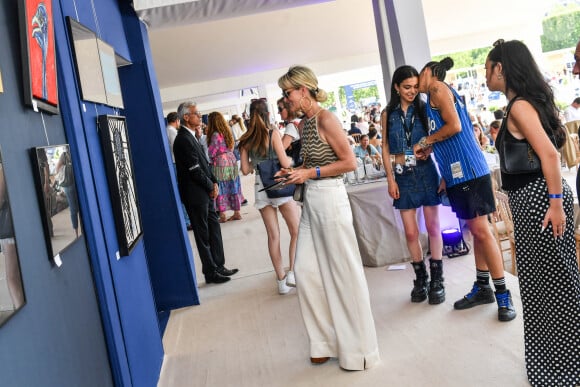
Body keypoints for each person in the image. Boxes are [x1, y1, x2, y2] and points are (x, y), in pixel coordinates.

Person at [486, 39, 580, 387]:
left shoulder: (520, 107)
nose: (485, 75)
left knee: (554, 286)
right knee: (544, 286)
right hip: (535, 200)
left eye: (488, 67)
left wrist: (556, 204)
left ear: (502, 68)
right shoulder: (520, 105)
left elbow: (551, 157)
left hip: (540, 199)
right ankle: (555, 366)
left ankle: (564, 368)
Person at [278, 65, 379, 370]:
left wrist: (310, 172)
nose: (285, 99)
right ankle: (323, 342)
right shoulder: (305, 123)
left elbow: (349, 162)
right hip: (311, 200)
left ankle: (359, 351)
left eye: (288, 93)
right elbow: (312, 163)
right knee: (305, 271)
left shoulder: (326, 118)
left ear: (304, 90)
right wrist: (296, 173)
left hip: (331, 199)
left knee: (343, 274)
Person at [414, 57, 516, 322]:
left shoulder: (437, 88)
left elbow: (455, 126)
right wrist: (444, 172)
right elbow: (453, 135)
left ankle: (503, 295)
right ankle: (483, 287)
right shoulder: (436, 97)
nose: (416, 84)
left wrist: (425, 140)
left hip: (469, 171)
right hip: (459, 174)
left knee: (481, 232)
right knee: (476, 231)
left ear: (429, 72)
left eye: (419, 76)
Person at [381, 65, 445, 305]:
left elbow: (437, 140)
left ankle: (437, 279)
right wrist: (390, 178)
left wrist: (442, 169)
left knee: (433, 227)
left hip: (427, 172)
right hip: (402, 177)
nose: (412, 91)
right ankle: (421, 278)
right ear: (396, 87)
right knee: (410, 231)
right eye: (407, 87)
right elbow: (386, 148)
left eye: (416, 87)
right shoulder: (388, 114)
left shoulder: (425, 109)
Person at [238, 99, 300, 295]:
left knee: (273, 235)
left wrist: (258, 162)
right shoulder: (273, 133)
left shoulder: (246, 139)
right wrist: (292, 160)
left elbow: (246, 169)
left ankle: (281, 280)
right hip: (278, 184)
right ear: (267, 114)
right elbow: (284, 162)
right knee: (296, 230)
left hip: (260, 187)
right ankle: (293, 273)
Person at [174, 101, 238, 284]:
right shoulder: (183, 139)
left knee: (214, 230)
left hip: (205, 191)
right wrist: (211, 186)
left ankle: (219, 265)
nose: (199, 115)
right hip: (196, 195)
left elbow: (204, 163)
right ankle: (210, 272)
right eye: (196, 113)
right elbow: (194, 169)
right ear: (186, 117)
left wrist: (215, 183)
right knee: (203, 236)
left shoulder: (192, 136)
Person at [205, 112, 243, 223]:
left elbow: (211, 152)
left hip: (221, 161)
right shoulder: (227, 131)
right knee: (233, 184)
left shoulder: (215, 135)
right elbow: (231, 146)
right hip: (231, 159)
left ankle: (222, 215)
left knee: (221, 186)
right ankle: (237, 212)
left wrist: (211, 159)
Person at [165, 112, 192, 230]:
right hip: (176, 164)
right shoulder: (172, 131)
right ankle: (187, 221)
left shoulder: (168, 130)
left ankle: (186, 220)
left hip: (174, 163)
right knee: (182, 192)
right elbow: (179, 148)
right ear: (177, 120)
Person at [55, 150, 80, 237]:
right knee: (75, 208)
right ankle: (77, 231)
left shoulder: (62, 160)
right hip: (72, 185)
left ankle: (76, 232)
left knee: (73, 209)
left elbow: (57, 174)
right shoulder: (68, 162)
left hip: (67, 186)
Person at [277, 98, 302, 167]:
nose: (278, 112)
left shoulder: (291, 126)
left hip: (295, 164)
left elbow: (280, 149)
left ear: (289, 108)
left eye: (280, 109)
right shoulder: (299, 121)